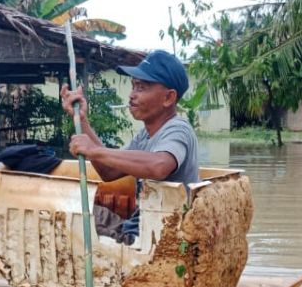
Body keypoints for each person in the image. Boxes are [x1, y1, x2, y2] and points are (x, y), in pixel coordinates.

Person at [60, 50, 199, 242]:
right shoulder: (145, 136)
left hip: (157, 239)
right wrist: (82, 120)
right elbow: (109, 172)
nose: (132, 95)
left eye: (141, 88)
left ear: (168, 98)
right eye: (133, 87)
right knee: (73, 207)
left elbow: (159, 166)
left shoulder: (178, 129)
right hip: (137, 229)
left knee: (72, 220)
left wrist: (93, 150)